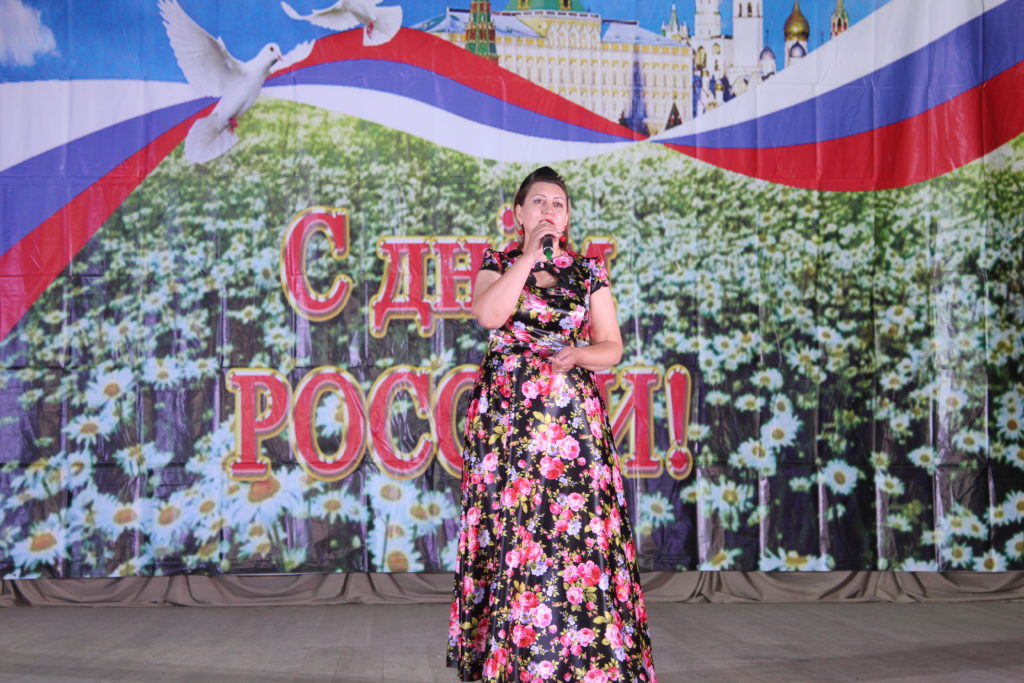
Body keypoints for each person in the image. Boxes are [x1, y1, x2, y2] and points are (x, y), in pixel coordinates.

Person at [447, 167, 657, 682]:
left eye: (557, 204)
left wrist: (579, 353)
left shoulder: (588, 272)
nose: (548, 210)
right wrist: (528, 257)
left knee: (574, 536)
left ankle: (586, 662)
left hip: (571, 427)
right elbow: (489, 316)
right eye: (538, 202)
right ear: (518, 214)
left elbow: (612, 347)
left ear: (567, 218)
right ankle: (513, 662)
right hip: (507, 425)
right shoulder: (498, 264)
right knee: (514, 534)